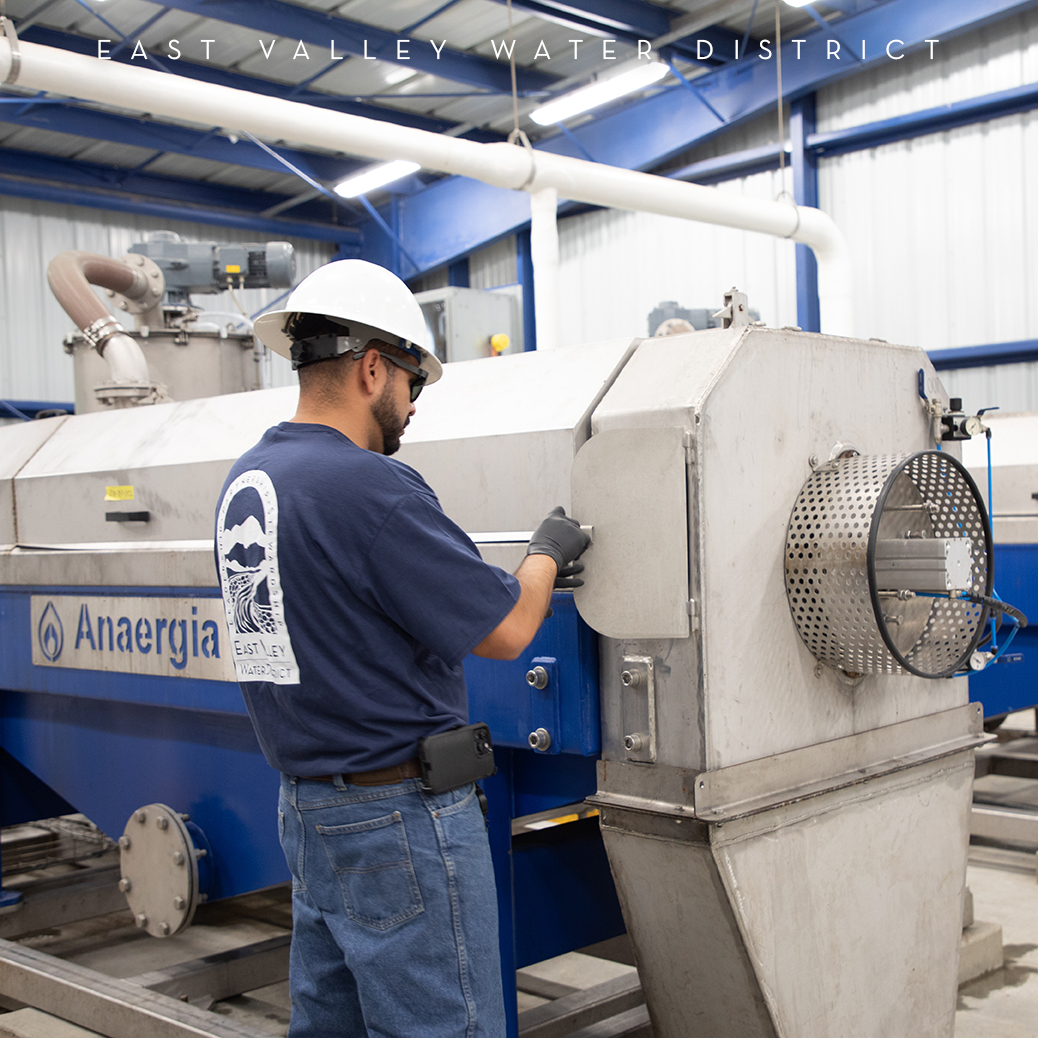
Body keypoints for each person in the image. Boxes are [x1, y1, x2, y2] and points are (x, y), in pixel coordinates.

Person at [214, 259, 590, 1038]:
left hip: (308, 809)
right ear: (373, 367)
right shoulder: (369, 485)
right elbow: (509, 628)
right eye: (414, 384)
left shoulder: (250, 479)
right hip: (398, 820)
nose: (415, 406)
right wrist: (548, 552)